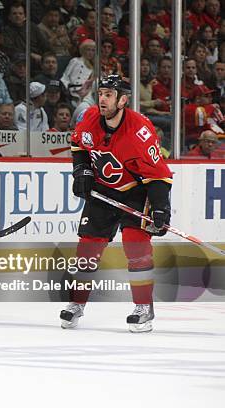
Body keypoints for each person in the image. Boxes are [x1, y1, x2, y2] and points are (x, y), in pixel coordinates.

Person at [62, 75, 173, 333]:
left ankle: (144, 307)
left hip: (136, 191)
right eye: (101, 93)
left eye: (109, 94)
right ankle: (76, 304)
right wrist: (82, 171)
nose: (102, 98)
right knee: (87, 250)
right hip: (103, 190)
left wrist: (160, 208)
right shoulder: (90, 118)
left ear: (123, 100)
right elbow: (78, 146)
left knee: (136, 248)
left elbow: (159, 174)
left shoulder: (139, 131)